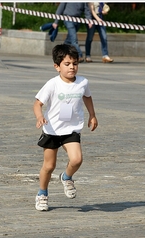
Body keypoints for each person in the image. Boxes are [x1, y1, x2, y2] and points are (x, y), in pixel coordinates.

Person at [33, 44, 98, 211]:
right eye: (67, 64)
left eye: (75, 63)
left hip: (71, 129)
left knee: (77, 159)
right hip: (52, 129)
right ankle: (42, 194)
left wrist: (92, 115)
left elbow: (87, 97)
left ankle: (67, 176)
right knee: (49, 166)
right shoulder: (52, 84)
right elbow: (37, 104)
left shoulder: (83, 82)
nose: (72, 68)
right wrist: (40, 117)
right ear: (57, 67)